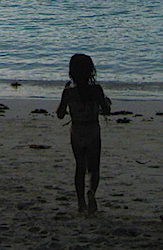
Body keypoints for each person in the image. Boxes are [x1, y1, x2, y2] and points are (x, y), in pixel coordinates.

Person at [56, 53, 111, 215]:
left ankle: (81, 202)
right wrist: (105, 102)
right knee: (94, 168)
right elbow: (107, 111)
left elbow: (60, 114)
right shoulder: (96, 90)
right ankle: (92, 191)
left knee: (80, 167)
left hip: (77, 130)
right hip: (93, 129)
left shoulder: (68, 92)